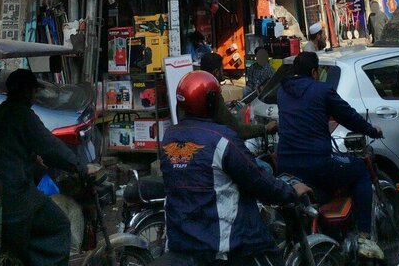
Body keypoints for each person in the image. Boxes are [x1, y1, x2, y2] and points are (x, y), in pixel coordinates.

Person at [160, 70, 311, 266]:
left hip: (181, 240)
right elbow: (258, 180)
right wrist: (290, 192)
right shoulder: (221, 139)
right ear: (211, 101)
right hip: (221, 245)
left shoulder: (168, 137)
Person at [0, 68, 99, 266]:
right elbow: (51, 146)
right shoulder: (22, 115)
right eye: (34, 92)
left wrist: (33, 159)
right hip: (13, 194)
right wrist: (81, 167)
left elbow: (10, 148)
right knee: (59, 224)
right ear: (26, 91)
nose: (35, 97)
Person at [276, 52, 384, 261]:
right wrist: (372, 130)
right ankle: (364, 237)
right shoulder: (322, 89)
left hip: (286, 165)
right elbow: (348, 116)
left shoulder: (282, 91)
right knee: (360, 171)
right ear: (315, 72)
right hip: (318, 162)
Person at [200, 52, 276, 140]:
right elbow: (237, 130)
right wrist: (265, 128)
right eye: (222, 70)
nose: (223, 73)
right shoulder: (213, 94)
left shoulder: (195, 87)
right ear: (216, 72)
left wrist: (227, 105)